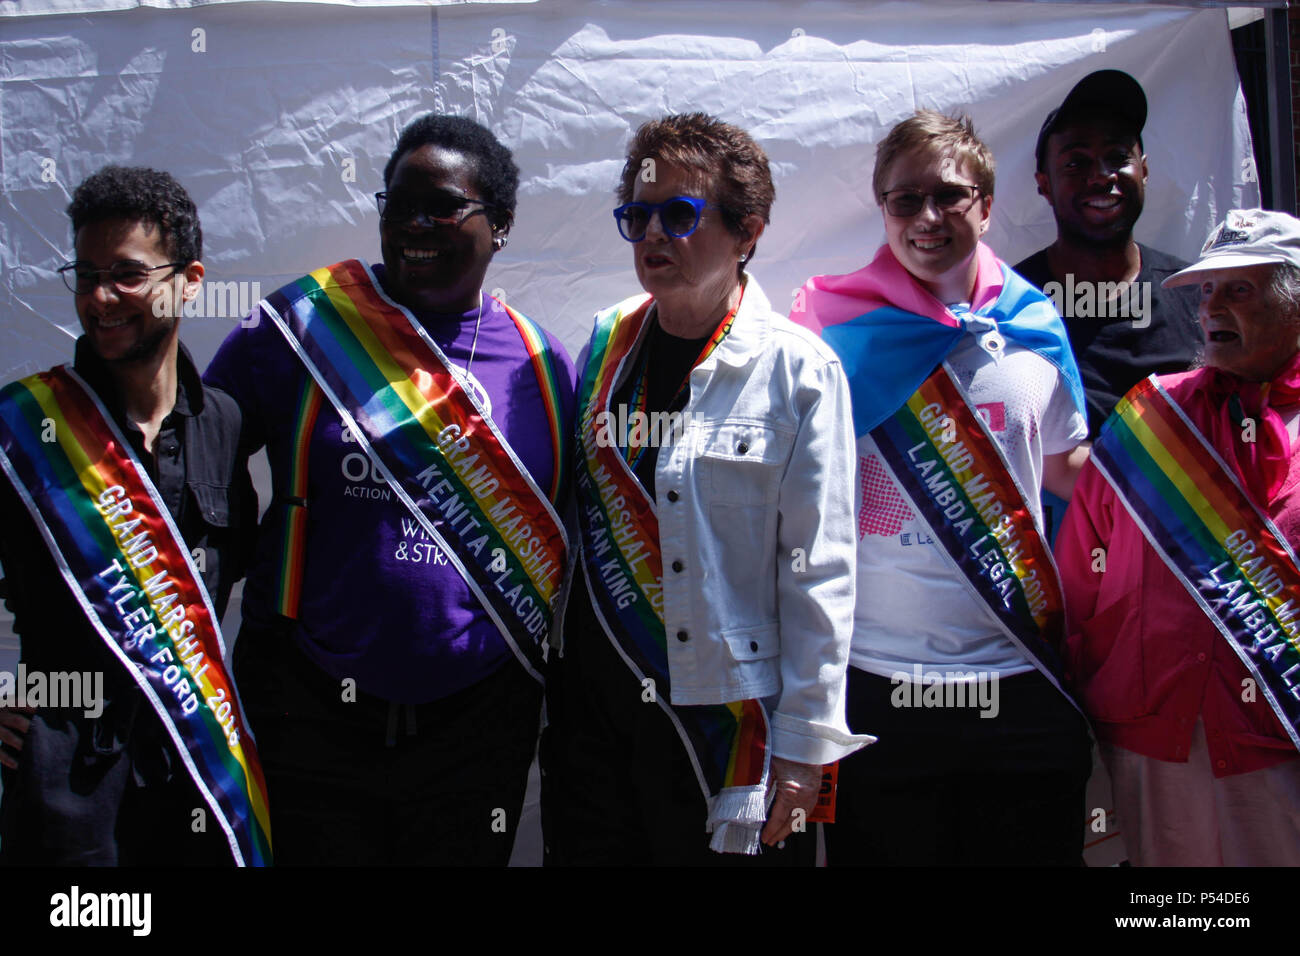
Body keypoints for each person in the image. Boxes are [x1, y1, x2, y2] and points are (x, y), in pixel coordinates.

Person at [205, 114, 576, 865]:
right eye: (397, 203)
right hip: (307, 708)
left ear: (498, 224)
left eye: (442, 206)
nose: (414, 224)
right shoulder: (303, 325)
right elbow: (194, 467)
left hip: (477, 724)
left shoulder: (546, 367)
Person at [544, 112, 868, 865]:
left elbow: (822, 570)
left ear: (748, 231)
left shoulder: (800, 370)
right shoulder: (606, 338)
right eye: (638, 216)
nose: (654, 235)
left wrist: (806, 751)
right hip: (594, 713)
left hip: (723, 721)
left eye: (681, 214)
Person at [793, 110, 1093, 865]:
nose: (927, 217)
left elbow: (1069, 477)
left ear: (987, 207)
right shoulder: (829, 331)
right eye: (904, 199)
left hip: (1020, 678)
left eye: (950, 196)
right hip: (881, 687)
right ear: (883, 209)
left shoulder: (1034, 325)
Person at [0, 165, 267, 866]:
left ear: (190, 279)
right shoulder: (23, 425)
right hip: (64, 780)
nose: (99, 297)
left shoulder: (225, 424)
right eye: (85, 274)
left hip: (194, 773)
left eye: (126, 274)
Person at [1057, 208, 1300, 866]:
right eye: (1206, 291)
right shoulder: (1151, 414)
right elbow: (1082, 575)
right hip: (1156, 742)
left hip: (1282, 740)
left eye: (1240, 290)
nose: (1212, 307)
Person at [1014, 69, 1201, 440]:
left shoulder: (1198, 295)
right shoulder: (1009, 307)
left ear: (1143, 170)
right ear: (1044, 185)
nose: (1101, 176)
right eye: (1076, 163)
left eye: (1117, 156)